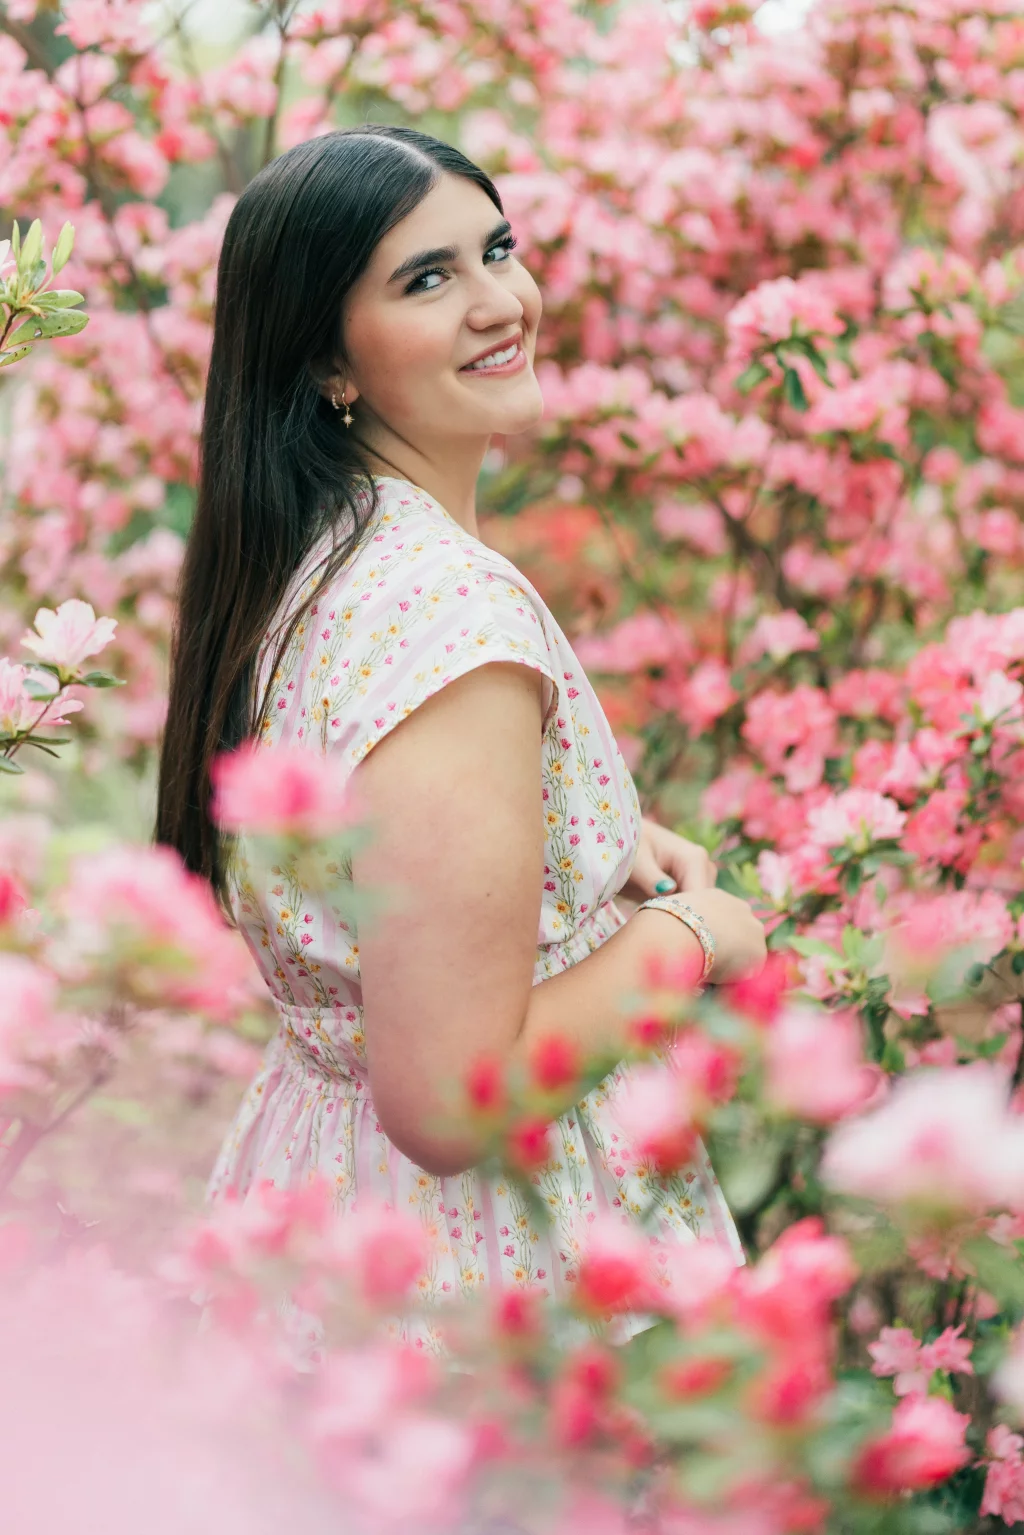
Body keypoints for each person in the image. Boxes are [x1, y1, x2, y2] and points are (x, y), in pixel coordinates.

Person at [156, 125, 767, 1337]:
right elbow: (450, 1097)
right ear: (329, 359)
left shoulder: (312, 562)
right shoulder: (448, 608)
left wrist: (564, 833)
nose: (501, 303)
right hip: (490, 1275)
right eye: (427, 279)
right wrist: (701, 933)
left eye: (497, 250)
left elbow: (384, 810)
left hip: (322, 1210)